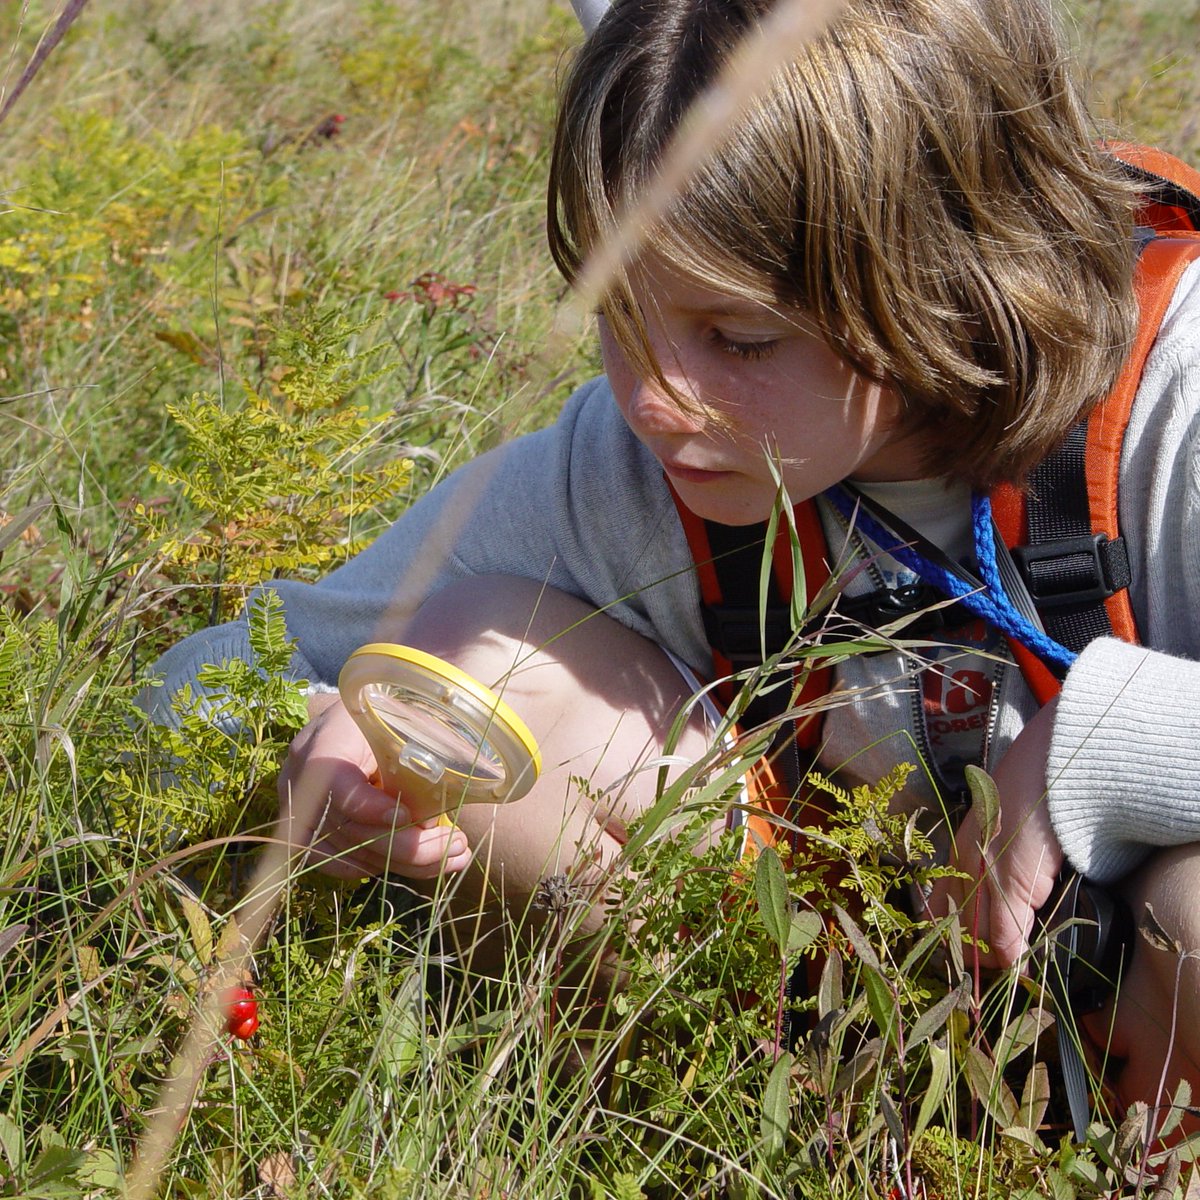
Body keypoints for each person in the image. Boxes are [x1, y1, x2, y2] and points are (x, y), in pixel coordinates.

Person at [148, 0, 1200, 1126]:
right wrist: (311, 743)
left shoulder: (1172, 403)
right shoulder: (619, 474)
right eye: (617, 313)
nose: (653, 401)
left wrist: (1114, 746)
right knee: (466, 663)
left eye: (740, 339)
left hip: (1121, 1052)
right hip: (804, 1030)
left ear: (950, 259)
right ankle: (723, 1138)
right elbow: (188, 680)